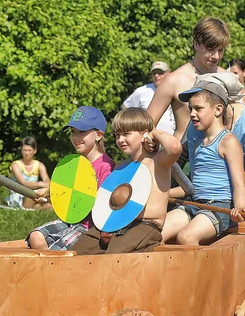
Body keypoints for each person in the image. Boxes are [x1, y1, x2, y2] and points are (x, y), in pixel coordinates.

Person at [178, 73, 245, 290]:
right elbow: (191, 163)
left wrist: (244, 204)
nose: (193, 113)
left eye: (199, 105)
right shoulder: (196, 125)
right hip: (208, 199)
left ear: (221, 104)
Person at [70, 108, 181, 254]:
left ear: (144, 133)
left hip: (146, 225)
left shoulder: (158, 161)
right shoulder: (120, 166)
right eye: (117, 135)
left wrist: (153, 132)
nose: (120, 140)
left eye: (126, 134)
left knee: (115, 254)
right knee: (78, 251)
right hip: (116, 225)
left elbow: (174, 147)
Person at [161, 75, 245, 246]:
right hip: (195, 203)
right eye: (191, 109)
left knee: (186, 237)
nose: (192, 114)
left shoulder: (228, 141)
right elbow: (195, 186)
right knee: (157, 232)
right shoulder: (198, 144)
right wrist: (161, 194)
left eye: (198, 109)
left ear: (218, 110)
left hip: (220, 207)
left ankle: (195, 274)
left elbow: (239, 183)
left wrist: (240, 208)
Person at [27, 106, 115, 250]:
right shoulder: (73, 164)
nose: (76, 137)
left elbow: (101, 204)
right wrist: (49, 192)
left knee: (56, 251)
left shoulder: (106, 167)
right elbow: (69, 191)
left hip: (90, 227)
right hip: (70, 220)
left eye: (82, 132)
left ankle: (53, 269)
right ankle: (49, 269)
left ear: (98, 134)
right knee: (35, 237)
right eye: (73, 132)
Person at [147, 17, 230, 142]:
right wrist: (168, 145)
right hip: (183, 156)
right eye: (210, 49)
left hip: (220, 155)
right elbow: (146, 125)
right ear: (196, 44)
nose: (216, 56)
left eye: (221, 50)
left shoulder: (227, 79)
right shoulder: (174, 80)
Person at [122, 61, 176, 135]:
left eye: (160, 73)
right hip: (149, 139)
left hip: (174, 138)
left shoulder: (176, 89)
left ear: (169, 73)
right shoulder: (142, 91)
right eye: (154, 73)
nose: (156, 75)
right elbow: (125, 109)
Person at [8, 137, 51, 209]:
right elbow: (24, 183)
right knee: (32, 196)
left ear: (35, 150)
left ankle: (37, 208)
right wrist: (39, 184)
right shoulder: (15, 165)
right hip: (20, 196)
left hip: (35, 195)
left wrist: (44, 187)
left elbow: (48, 182)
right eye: (24, 150)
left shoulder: (39, 165)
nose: (26, 153)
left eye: (29, 150)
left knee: (48, 203)